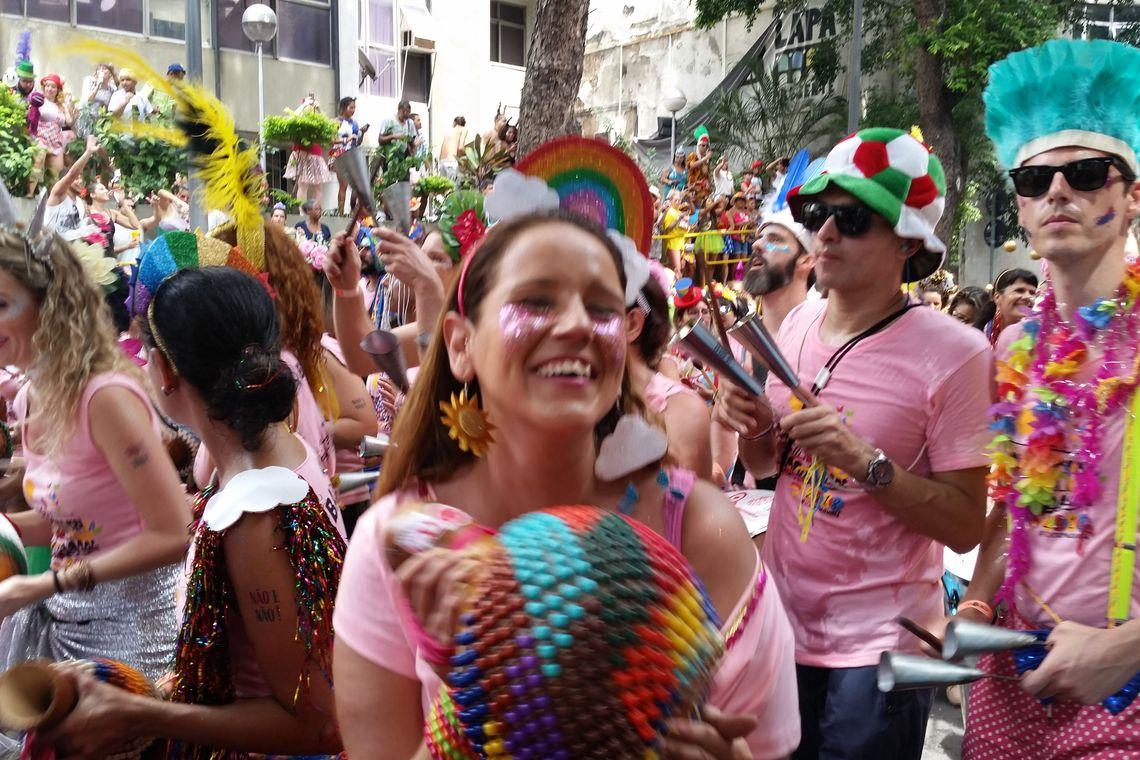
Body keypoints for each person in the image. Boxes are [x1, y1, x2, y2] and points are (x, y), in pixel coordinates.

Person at [331, 209, 800, 760]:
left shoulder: (700, 530)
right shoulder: (403, 544)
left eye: (602, 307)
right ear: (460, 345)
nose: (578, 324)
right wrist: (473, 706)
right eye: (536, 301)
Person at [715, 128, 992, 759]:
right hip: (782, 626)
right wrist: (751, 421)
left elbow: (966, 525)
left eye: (853, 217)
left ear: (906, 240)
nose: (827, 233)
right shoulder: (802, 320)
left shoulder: (957, 354)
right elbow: (769, 468)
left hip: (880, 653)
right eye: (817, 213)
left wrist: (866, 463)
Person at [42, 267, 346, 758]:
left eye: (145, 356)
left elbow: (316, 726)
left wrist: (145, 714)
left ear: (164, 371)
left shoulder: (254, 517)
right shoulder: (277, 445)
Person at [959, 38, 1140, 759]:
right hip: (1012, 683)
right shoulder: (1016, 348)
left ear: (1131, 198)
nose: (1057, 191)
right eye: (1034, 180)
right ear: (1023, 211)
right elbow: (1014, 506)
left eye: (1087, 172)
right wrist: (973, 603)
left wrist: (1125, 648)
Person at [0, 208, 189, 685]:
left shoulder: (104, 396)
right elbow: (75, 524)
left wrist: (47, 582)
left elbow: (173, 534)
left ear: (50, 304)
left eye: (1, 304)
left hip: (130, 639)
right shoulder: (32, 395)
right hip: (61, 621)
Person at [629, 277, 713, 479]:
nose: (701, 318)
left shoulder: (719, 353)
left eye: (705, 312)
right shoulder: (669, 356)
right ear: (679, 319)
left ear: (632, 323)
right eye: (694, 312)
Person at [44, 135, 100, 238]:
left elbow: (75, 231)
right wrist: (88, 152)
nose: (80, 181)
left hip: (69, 250)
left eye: (81, 178)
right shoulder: (58, 194)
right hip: (51, 248)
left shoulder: (80, 203)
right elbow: (72, 174)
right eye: (76, 178)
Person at [30, 74, 76, 195]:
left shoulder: (60, 105)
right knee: (38, 163)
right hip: (41, 136)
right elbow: (31, 115)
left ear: (58, 90)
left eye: (53, 87)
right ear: (44, 88)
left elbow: (69, 122)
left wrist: (67, 107)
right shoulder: (39, 100)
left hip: (55, 140)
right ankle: (29, 194)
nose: (49, 89)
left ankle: (53, 201)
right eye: (47, 86)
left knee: (57, 175)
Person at [283, 94, 332, 206]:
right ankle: (302, 211)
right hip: (301, 153)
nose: (310, 108)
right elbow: (291, 118)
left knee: (318, 185)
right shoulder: (299, 120)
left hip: (315, 153)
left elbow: (328, 124)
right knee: (303, 183)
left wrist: (319, 108)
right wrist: (304, 104)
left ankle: (317, 211)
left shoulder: (318, 120)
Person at [331, 96, 370, 215]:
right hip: (340, 155)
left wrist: (362, 132)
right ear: (344, 107)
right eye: (351, 107)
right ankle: (341, 213)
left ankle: (354, 212)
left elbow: (357, 142)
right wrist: (345, 140)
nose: (353, 110)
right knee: (343, 185)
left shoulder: (355, 123)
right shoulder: (336, 122)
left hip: (353, 156)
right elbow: (331, 140)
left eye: (354, 108)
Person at [983, 267, 1038, 347]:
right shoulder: (982, 333)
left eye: (1032, 293)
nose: (1028, 296)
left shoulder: (1040, 337)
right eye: (1019, 291)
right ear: (997, 297)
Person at [687, 126, 714, 208]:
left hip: (705, 189)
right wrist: (704, 158)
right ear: (698, 145)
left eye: (706, 146)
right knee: (696, 211)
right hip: (694, 188)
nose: (705, 148)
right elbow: (691, 166)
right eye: (703, 145)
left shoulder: (708, 159)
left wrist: (709, 182)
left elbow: (707, 173)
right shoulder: (693, 155)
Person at [438, 115, 468, 180]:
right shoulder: (463, 129)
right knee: (454, 188)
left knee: (443, 189)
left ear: (454, 122)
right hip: (451, 162)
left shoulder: (448, 131)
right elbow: (460, 148)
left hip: (442, 162)